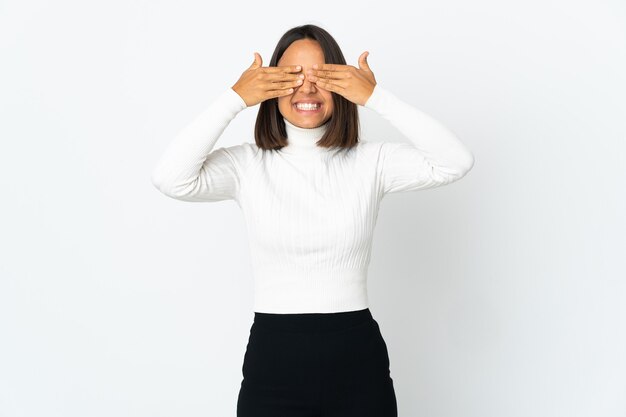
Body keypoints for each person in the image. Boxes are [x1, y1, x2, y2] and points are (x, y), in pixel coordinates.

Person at [151, 24, 474, 417]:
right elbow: (171, 178)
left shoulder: (371, 162)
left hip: (358, 360)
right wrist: (235, 98)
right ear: (269, 86)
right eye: (291, 77)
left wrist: (376, 97)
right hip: (273, 360)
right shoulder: (246, 165)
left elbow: (455, 161)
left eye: (321, 76)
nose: (306, 89)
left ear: (342, 85)